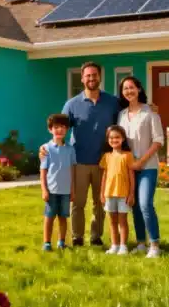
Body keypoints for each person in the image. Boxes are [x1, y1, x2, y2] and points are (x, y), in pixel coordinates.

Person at [43, 61, 120, 247]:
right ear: (82, 78)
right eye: (88, 75)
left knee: (100, 202)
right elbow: (59, 128)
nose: (91, 78)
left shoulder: (112, 102)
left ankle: (95, 237)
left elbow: (126, 119)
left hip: (104, 161)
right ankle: (77, 236)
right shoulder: (72, 104)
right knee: (78, 202)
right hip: (78, 162)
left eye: (94, 75)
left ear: (100, 77)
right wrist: (45, 147)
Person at [117, 76, 164, 258]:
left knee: (145, 204)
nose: (129, 91)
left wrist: (141, 162)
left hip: (148, 166)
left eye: (132, 87)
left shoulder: (150, 113)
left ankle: (155, 245)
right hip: (129, 168)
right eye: (125, 89)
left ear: (139, 89)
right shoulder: (121, 115)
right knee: (134, 205)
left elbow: (158, 140)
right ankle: (140, 243)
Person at [40, 114, 76, 251]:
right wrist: (44, 189)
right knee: (49, 217)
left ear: (67, 129)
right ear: (50, 129)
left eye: (62, 127)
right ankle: (47, 243)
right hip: (51, 190)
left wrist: (72, 189)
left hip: (66, 191)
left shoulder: (70, 149)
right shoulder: (46, 149)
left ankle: (61, 242)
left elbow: (72, 170)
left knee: (63, 217)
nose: (59, 130)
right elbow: (43, 171)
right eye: (56, 127)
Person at [99, 125, 135, 255]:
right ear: (108, 140)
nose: (114, 140)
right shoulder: (107, 156)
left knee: (122, 221)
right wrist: (102, 193)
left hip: (123, 194)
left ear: (123, 139)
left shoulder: (128, 155)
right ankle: (114, 245)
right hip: (109, 193)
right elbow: (104, 176)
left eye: (117, 137)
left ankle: (123, 246)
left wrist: (131, 194)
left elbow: (131, 176)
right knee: (112, 221)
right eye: (111, 137)